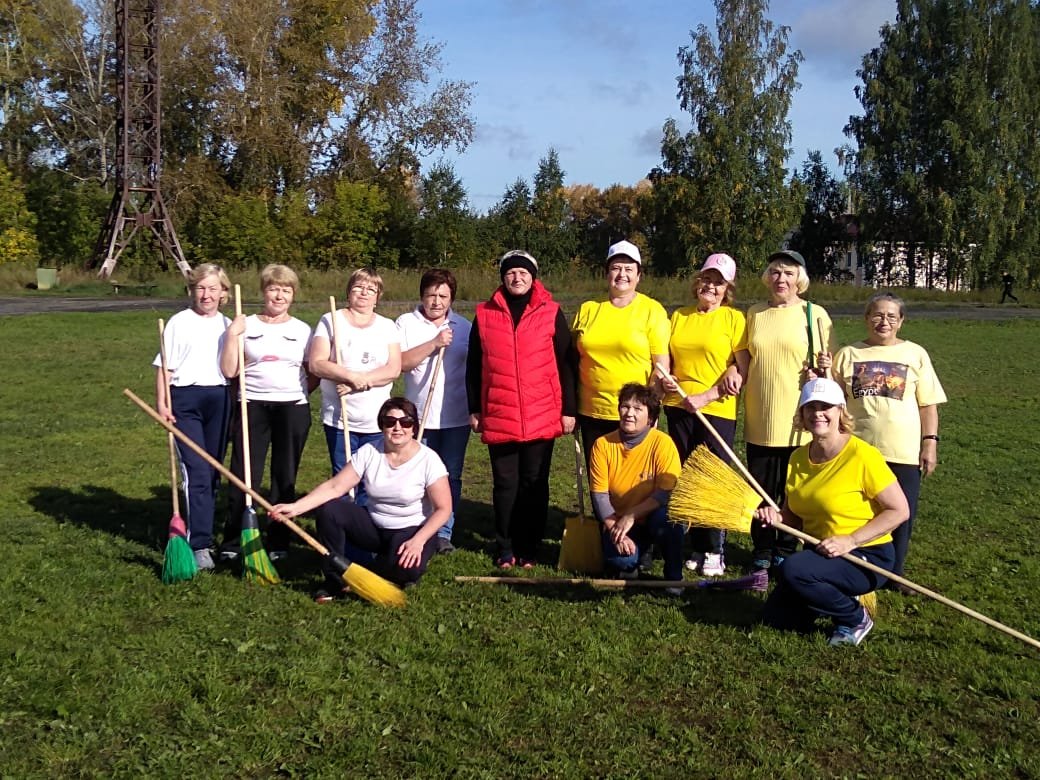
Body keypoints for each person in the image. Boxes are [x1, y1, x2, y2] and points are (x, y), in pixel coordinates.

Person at [754, 378, 909, 646]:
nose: (818, 414)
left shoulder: (863, 456)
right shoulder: (798, 458)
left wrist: (851, 540)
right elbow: (794, 513)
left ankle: (854, 617)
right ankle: (830, 594)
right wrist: (776, 517)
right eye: (810, 407)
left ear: (841, 411)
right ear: (801, 414)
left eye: (826, 407)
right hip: (821, 552)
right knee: (776, 619)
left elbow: (899, 510)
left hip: (866, 555)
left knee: (793, 568)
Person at [271, 398, 451, 600]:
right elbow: (335, 486)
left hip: (410, 530)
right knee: (329, 510)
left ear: (414, 427)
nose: (397, 428)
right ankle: (334, 580)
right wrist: (295, 508)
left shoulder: (429, 460)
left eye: (405, 422)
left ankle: (379, 572)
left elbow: (444, 508)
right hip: (373, 526)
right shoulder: (369, 452)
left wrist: (419, 540)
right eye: (390, 422)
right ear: (382, 425)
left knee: (407, 570)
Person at [467, 249, 577, 569]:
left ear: (533, 277)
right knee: (505, 484)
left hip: (541, 412)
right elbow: (474, 365)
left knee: (535, 483)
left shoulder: (551, 311)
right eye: (511, 272)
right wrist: (475, 408)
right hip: (499, 413)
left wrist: (569, 408)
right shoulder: (485, 314)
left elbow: (566, 363)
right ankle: (505, 545)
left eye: (524, 273)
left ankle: (530, 547)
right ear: (503, 277)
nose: (517, 278)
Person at [832, 292, 946, 590]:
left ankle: (894, 574)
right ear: (866, 318)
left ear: (901, 322)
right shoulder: (848, 354)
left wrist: (929, 442)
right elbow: (832, 400)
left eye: (891, 317)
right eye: (877, 315)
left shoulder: (915, 354)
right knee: (859, 511)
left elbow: (928, 405)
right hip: (858, 449)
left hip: (902, 451)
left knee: (901, 514)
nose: (884, 322)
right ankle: (858, 565)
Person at [737, 249, 834, 574]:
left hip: (799, 419)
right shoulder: (754, 314)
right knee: (761, 486)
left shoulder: (815, 314)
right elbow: (743, 361)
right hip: (760, 417)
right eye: (776, 272)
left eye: (789, 273)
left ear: (800, 280)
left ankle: (786, 547)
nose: (781, 279)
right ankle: (762, 548)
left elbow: (828, 372)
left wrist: (821, 371)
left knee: (794, 488)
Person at [218, 264, 314, 563]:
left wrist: (293, 394)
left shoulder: (301, 330)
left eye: (286, 290)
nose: (279, 295)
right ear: (263, 291)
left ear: (293, 295)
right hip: (252, 405)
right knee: (245, 474)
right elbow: (230, 370)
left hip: (293, 407)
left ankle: (279, 540)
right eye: (274, 288)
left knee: (284, 476)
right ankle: (234, 539)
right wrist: (233, 335)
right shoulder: (245, 325)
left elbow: (313, 372)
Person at [659, 253, 747, 577]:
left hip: (715, 409)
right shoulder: (678, 316)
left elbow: (741, 369)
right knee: (684, 476)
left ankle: (714, 548)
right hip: (678, 406)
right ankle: (695, 546)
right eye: (707, 278)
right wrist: (665, 378)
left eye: (719, 282)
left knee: (710, 477)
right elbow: (666, 358)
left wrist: (707, 396)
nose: (711, 285)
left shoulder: (733, 320)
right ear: (698, 281)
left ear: (727, 289)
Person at [153, 263, 232, 571]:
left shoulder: (229, 324)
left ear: (223, 293)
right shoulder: (178, 322)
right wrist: (162, 402)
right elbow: (164, 367)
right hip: (185, 399)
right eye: (201, 288)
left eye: (213, 288)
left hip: (220, 398)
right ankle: (199, 544)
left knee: (213, 472)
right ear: (192, 291)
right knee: (197, 471)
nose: (206, 294)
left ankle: (204, 532)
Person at [309, 267, 401, 505]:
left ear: (378, 296)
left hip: (375, 419)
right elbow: (317, 363)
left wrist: (359, 382)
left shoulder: (387, 326)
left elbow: (393, 369)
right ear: (349, 290)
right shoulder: (331, 319)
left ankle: (364, 532)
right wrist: (348, 375)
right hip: (341, 418)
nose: (364, 292)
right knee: (343, 479)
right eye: (359, 287)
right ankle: (342, 533)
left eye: (371, 289)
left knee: (371, 480)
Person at [571, 239, 669, 463]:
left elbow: (661, 368)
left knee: (632, 485)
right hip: (591, 412)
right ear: (606, 273)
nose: (621, 274)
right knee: (599, 484)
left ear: (638, 275)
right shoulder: (588, 309)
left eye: (628, 269)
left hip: (634, 414)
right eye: (615, 268)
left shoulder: (652, 310)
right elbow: (572, 359)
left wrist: (650, 410)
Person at [396, 268, 471, 555]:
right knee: (416, 475)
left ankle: (443, 532)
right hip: (418, 418)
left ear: (451, 298)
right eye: (431, 295)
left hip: (455, 416)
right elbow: (400, 363)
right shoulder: (405, 323)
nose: (437, 302)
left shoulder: (464, 326)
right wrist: (433, 343)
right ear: (422, 296)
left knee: (450, 476)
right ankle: (416, 527)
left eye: (443, 296)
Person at [589, 383, 683, 587]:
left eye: (637, 409)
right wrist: (615, 528)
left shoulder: (663, 444)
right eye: (625, 406)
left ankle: (674, 577)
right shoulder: (602, 445)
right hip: (618, 520)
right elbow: (600, 496)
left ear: (650, 418)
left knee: (670, 522)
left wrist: (631, 515)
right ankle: (636, 556)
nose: (629, 413)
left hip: (653, 517)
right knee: (623, 562)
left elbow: (665, 493)